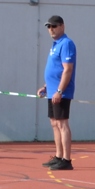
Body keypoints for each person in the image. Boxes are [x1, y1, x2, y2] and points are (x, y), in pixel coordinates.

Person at [37, 15, 77, 171]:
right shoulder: (55, 44)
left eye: (54, 26)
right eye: (49, 27)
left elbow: (67, 70)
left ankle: (66, 159)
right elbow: (55, 69)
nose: (51, 29)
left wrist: (59, 91)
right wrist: (47, 86)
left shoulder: (66, 43)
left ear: (62, 26)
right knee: (54, 123)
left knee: (62, 124)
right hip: (52, 91)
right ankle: (59, 156)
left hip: (61, 92)